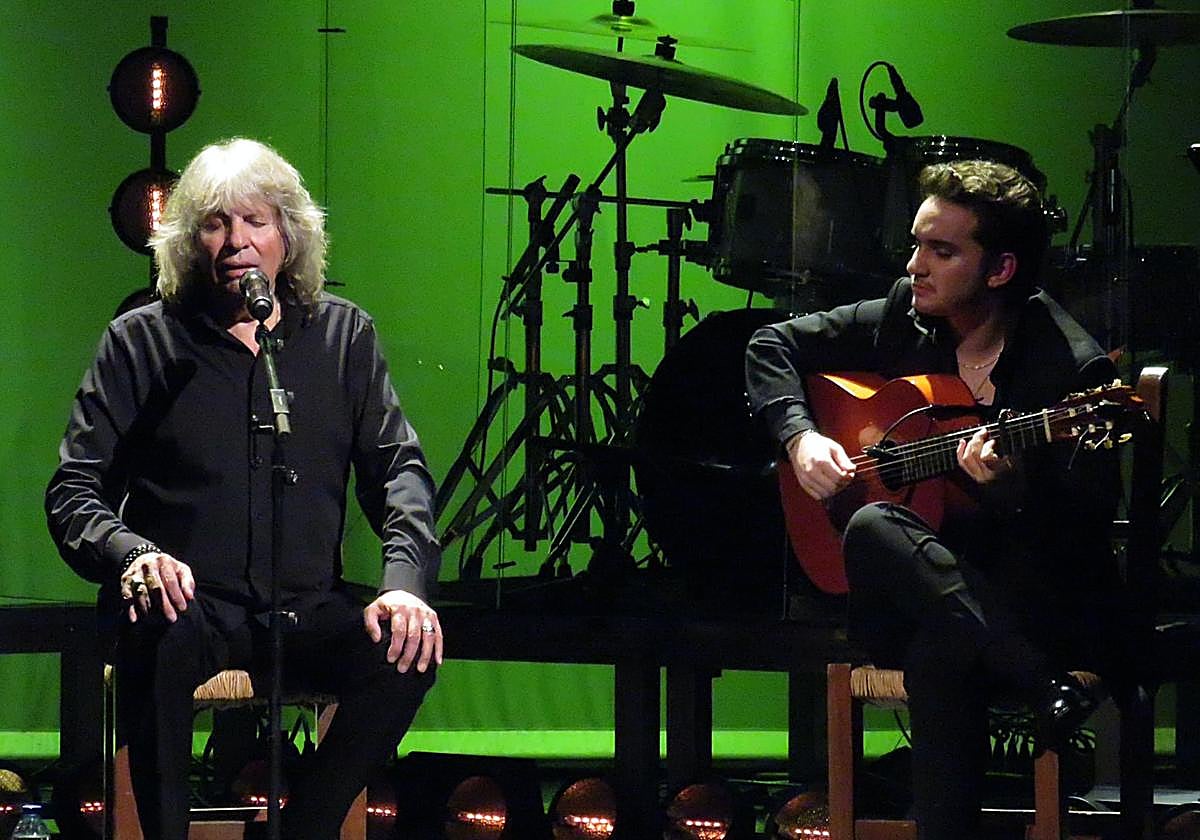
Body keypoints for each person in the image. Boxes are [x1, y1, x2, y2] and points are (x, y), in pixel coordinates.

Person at [45, 137, 442, 840]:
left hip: (305, 606)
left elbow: (399, 471)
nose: (236, 242)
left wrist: (404, 584)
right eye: (215, 224)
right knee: (155, 636)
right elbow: (74, 490)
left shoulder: (343, 336)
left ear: (288, 235)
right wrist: (134, 554)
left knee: (404, 650)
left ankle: (308, 825)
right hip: (187, 607)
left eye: (256, 221)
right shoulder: (142, 342)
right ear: (188, 242)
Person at [745, 159, 1125, 838]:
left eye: (941, 251)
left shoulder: (1067, 367)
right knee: (874, 527)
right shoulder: (904, 313)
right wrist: (801, 439)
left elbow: (1087, 531)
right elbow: (769, 344)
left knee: (942, 650)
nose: (914, 266)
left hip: (1028, 601)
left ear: (1001, 269)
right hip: (911, 595)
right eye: (916, 244)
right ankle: (1042, 686)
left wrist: (1011, 496)